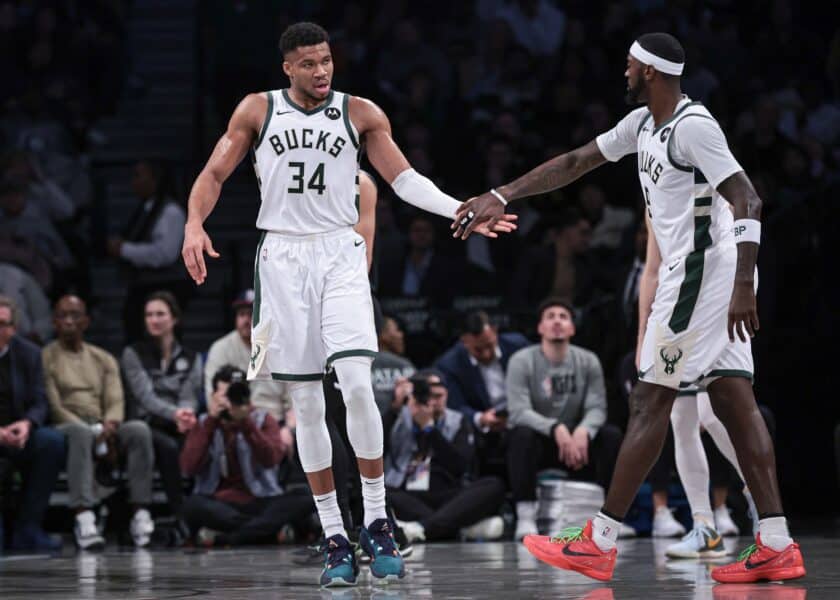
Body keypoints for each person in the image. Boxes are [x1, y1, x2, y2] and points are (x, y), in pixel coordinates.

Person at [455, 32, 804, 583]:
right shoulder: (643, 126)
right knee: (735, 398)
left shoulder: (693, 126)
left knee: (649, 399)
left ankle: (600, 539)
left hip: (702, 274)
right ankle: (777, 541)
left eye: (630, 65)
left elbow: (747, 197)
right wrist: (502, 194)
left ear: (651, 72)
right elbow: (575, 162)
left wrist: (742, 284)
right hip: (699, 275)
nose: (623, 72)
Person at [180, 22, 515, 587]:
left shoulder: (358, 112)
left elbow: (404, 180)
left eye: (327, 60)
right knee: (307, 406)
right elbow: (215, 172)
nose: (321, 71)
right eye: (309, 63)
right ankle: (335, 532)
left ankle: (378, 522)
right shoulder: (257, 109)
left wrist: (460, 207)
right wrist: (193, 223)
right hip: (283, 260)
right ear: (287, 66)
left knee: (358, 384)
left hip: (339, 252)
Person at [43, 295, 156, 549]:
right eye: (63, 315)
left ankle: (140, 512)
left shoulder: (102, 358)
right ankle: (83, 516)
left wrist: (111, 424)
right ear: (54, 322)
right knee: (81, 434)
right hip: (67, 426)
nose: (69, 321)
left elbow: (115, 398)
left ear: (86, 321)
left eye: (75, 315)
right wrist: (91, 430)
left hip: (104, 425)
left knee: (138, 430)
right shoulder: (46, 356)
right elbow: (54, 405)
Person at [506, 297, 623, 540]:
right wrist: (555, 428)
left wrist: (583, 431)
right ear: (540, 328)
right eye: (550, 317)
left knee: (610, 435)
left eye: (563, 317)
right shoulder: (521, 361)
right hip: (543, 441)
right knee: (520, 435)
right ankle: (526, 515)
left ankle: (610, 517)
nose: (557, 321)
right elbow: (518, 411)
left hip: (579, 444)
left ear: (572, 328)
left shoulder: (588, 360)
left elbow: (597, 407)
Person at [180, 366, 313, 546]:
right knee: (192, 505)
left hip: (261, 500)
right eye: (227, 395)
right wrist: (212, 421)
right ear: (213, 397)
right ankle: (266, 533)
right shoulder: (204, 422)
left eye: (237, 394)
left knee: (305, 497)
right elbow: (188, 467)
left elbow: (271, 460)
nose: (232, 400)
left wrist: (246, 424)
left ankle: (227, 538)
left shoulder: (263, 420)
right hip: (220, 503)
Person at [384, 370, 505, 543]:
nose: (432, 402)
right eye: (428, 396)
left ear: (447, 394)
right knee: (378, 492)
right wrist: (395, 407)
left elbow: (459, 467)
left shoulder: (458, 420)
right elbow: (375, 447)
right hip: (408, 495)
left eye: (438, 396)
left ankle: (422, 528)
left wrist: (429, 428)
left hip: (449, 495)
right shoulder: (399, 418)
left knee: (493, 485)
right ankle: (455, 527)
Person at [121, 291, 201, 516]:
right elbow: (145, 397)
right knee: (168, 446)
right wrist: (177, 414)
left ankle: (205, 505)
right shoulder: (133, 353)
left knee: (204, 433)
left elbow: (189, 395)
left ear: (174, 319)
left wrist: (186, 414)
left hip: (179, 422)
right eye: (149, 315)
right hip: (146, 422)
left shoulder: (191, 357)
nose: (154, 320)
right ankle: (180, 513)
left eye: (160, 314)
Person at [0, 295, 65, 551]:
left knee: (52, 442)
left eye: (2, 323)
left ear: (13, 329)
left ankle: (29, 527)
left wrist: (27, 424)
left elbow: (40, 400)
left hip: (18, 432)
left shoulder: (29, 353)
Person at [435, 310, 529, 477]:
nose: (486, 354)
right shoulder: (450, 365)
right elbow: (455, 406)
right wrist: (480, 418)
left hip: (522, 414)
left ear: (494, 331)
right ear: (464, 342)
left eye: (489, 345)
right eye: (478, 350)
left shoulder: (519, 346)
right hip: (483, 426)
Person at [108, 160, 191, 343]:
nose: (133, 182)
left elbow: (165, 254)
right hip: (142, 285)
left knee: (163, 339)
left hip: (166, 287)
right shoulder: (146, 208)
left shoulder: (171, 212)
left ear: (155, 180)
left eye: (139, 176)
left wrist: (124, 249)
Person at [204, 289, 293, 424]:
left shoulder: (281, 347)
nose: (246, 320)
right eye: (241, 314)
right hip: (233, 422)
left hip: (274, 424)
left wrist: (289, 429)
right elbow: (212, 398)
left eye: (252, 314)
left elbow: (294, 400)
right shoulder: (220, 348)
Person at [371, 315, 415, 415]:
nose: (401, 335)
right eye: (397, 330)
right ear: (383, 335)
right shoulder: (404, 366)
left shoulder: (360, 365)